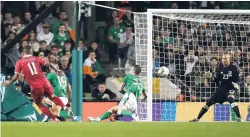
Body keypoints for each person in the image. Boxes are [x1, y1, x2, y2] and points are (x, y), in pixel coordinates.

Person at [2, 46, 65, 122]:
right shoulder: (36, 58)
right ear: (31, 52)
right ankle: (65, 108)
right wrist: (56, 70)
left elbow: (15, 77)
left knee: (39, 104)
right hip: (45, 82)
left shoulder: (20, 62)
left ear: (22, 53)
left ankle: (54, 119)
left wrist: (9, 81)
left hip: (35, 86)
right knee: (52, 96)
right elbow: (48, 64)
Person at [190, 53, 242, 122]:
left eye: (226, 58)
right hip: (222, 89)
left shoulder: (234, 68)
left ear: (229, 59)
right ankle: (197, 118)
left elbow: (239, 79)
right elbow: (216, 80)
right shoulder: (219, 68)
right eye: (223, 59)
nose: (224, 60)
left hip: (231, 88)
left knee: (230, 98)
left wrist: (237, 84)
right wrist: (210, 77)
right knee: (208, 103)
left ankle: (239, 118)